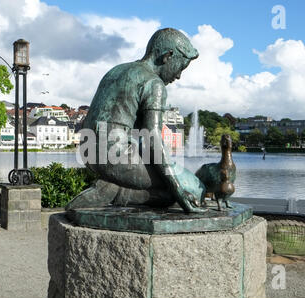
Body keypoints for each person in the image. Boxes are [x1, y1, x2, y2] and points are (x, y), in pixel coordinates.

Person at [67, 28, 207, 213]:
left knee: (170, 178)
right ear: (168, 56)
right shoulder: (154, 83)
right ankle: (116, 193)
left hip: (88, 152)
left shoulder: (116, 70)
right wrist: (178, 189)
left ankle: (114, 188)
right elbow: (152, 138)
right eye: (181, 67)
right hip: (114, 156)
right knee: (195, 191)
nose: (179, 76)